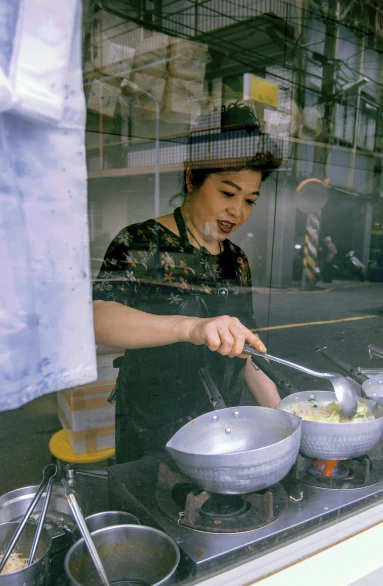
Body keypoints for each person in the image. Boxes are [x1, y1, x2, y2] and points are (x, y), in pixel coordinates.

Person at [92, 103, 282, 463]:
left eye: (250, 200)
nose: (237, 211)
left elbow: (247, 351)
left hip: (223, 422)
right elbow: (98, 319)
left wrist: (285, 417)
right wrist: (192, 327)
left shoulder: (236, 259)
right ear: (193, 178)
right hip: (153, 423)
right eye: (228, 193)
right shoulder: (141, 241)